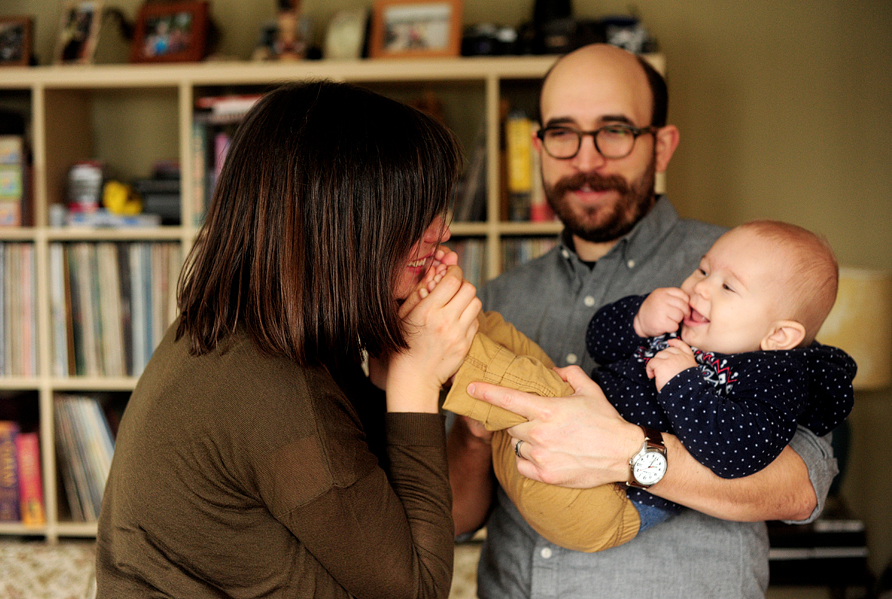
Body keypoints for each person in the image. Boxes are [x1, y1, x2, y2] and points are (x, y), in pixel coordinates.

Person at [446, 43, 839, 598]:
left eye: (614, 130)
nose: (587, 160)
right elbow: (458, 516)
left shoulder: (751, 284)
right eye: (563, 133)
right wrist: (470, 436)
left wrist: (632, 454)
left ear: (661, 145)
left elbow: (800, 488)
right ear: (539, 146)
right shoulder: (498, 298)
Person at [96, 80, 482, 598]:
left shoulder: (247, 328)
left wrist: (388, 370)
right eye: (418, 211)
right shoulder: (269, 391)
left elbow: (361, 506)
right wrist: (416, 383)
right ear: (340, 222)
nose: (441, 233)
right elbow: (417, 590)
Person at [443, 220, 855, 552]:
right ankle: (444, 307)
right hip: (536, 462)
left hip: (605, 507)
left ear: (779, 336)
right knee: (504, 342)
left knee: (527, 383)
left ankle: (435, 349)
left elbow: (739, 454)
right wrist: (639, 318)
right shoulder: (680, 324)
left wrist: (681, 383)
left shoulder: (773, 377)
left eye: (728, 288)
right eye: (704, 270)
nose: (700, 287)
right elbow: (599, 343)